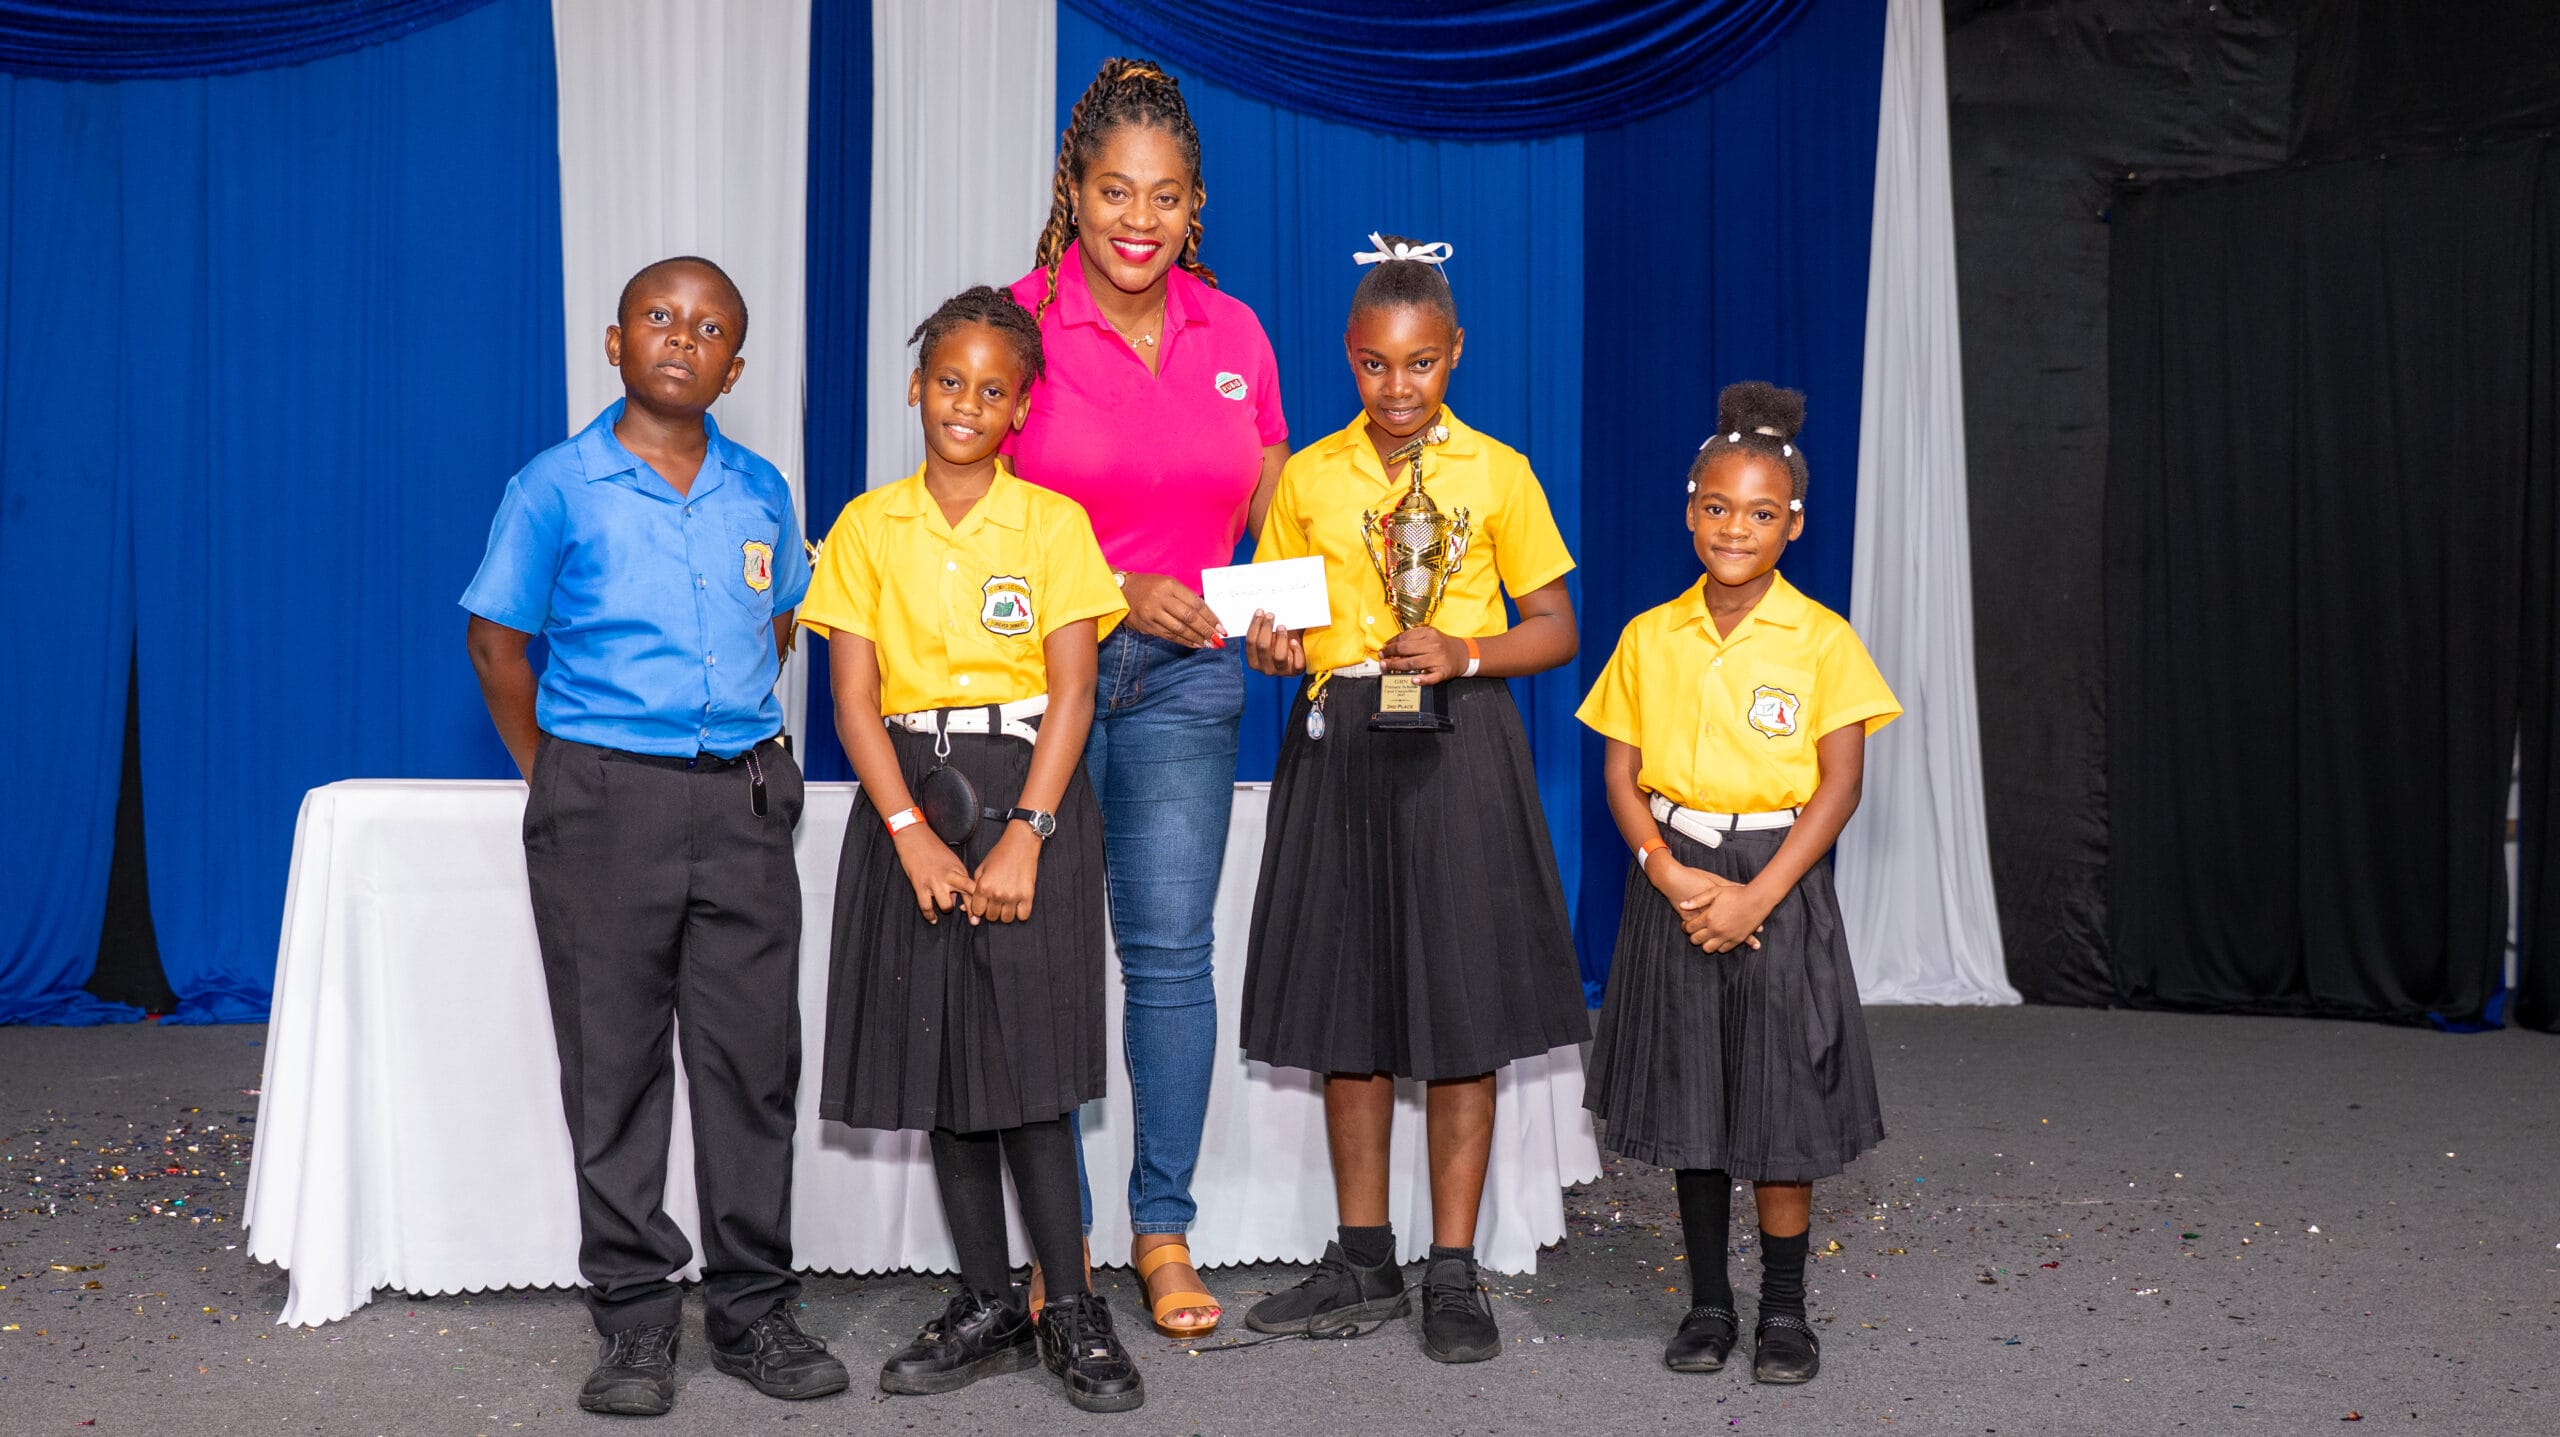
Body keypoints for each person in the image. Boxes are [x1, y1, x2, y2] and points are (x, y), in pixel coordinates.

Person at [461, 256, 849, 1416]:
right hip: (602, 802)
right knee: (615, 1068)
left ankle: (754, 1312)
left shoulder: (761, 490)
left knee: (750, 1067)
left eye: (711, 327)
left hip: (739, 800)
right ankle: (633, 1321)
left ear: (736, 365)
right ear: (615, 342)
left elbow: (779, 621)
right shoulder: (553, 488)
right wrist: (561, 776)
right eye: (660, 319)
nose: (683, 338)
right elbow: (496, 647)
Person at [1238, 233, 1588, 1365]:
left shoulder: (1498, 472)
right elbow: (1273, 627)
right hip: (1339, 739)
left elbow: (1557, 629)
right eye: (1377, 366)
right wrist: (1273, 648)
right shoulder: (1305, 479)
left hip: (1457, 743)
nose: (1399, 388)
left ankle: (1451, 1269)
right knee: (1350, 1010)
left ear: (1455, 354)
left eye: (1422, 364)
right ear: (1349, 357)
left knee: (1458, 1014)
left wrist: (1467, 652)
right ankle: (1361, 1253)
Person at [801, 287, 1144, 1414]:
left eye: (993, 390)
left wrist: (1028, 836)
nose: (966, 403)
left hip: (1024, 799)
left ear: (1021, 408)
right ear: (916, 385)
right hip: (910, 800)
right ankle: (986, 1298)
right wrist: (908, 836)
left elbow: (1074, 690)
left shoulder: (1050, 526)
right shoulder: (865, 527)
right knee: (944, 1063)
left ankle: (1072, 1305)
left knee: (1029, 1069)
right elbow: (852, 702)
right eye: (948, 381)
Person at [1004, 54, 1290, 1339]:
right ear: (1074, 191)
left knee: (1169, 957)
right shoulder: (1013, 323)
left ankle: (1161, 1230)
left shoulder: (1237, 336)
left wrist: (1281, 611)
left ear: (1194, 208)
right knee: (1046, 960)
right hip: (1041, 680)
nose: (1138, 218)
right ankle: (1055, 1252)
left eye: (1163, 197)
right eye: (1114, 191)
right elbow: (971, 522)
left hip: (1190, 680)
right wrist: (1114, 590)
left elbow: (1271, 503)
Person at [1576, 381, 1902, 1385]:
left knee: (1780, 1102)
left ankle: (1787, 1312)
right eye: (1716, 508)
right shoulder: (1647, 636)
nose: (1734, 528)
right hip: (1672, 876)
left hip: (1777, 877)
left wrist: (1757, 897)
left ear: (1793, 526)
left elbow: (1839, 786)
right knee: (1694, 1097)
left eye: (1761, 513)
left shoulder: (1823, 640)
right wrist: (1667, 874)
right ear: (1688, 511)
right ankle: (1709, 1304)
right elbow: (1620, 777)